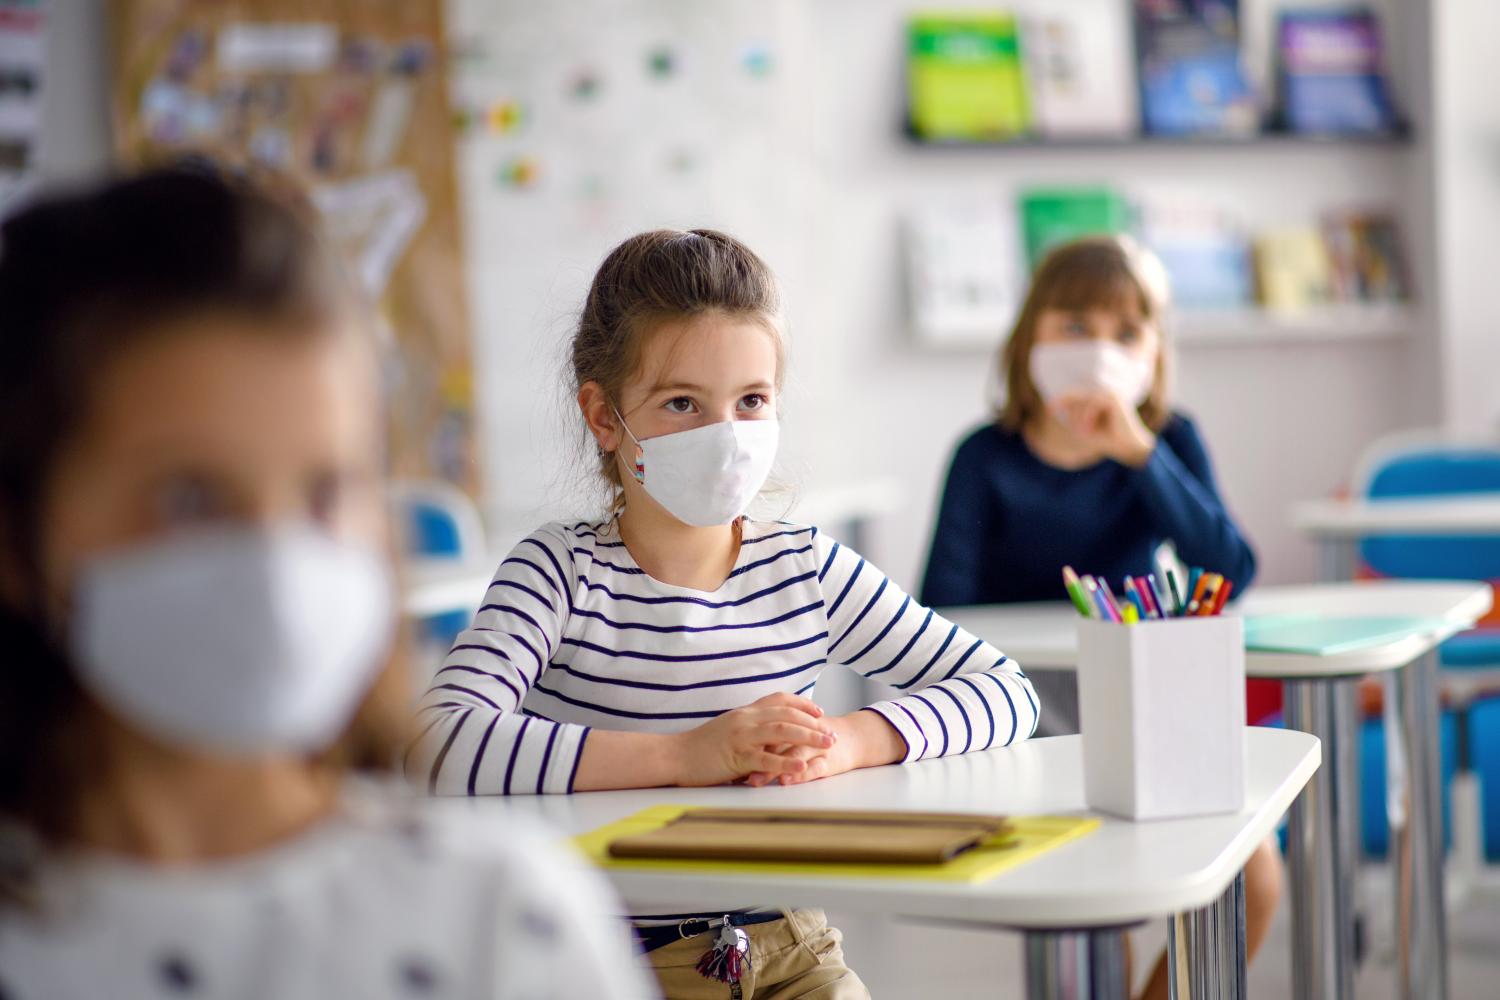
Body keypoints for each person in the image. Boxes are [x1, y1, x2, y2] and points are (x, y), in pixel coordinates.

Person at [0, 166, 653, 1000]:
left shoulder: (501, 920)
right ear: (18, 534)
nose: (274, 559)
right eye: (188, 497)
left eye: (326, 489)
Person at [409, 228, 1041, 999]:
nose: (725, 435)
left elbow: (1006, 689)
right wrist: (687, 756)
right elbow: (435, 744)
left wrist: (846, 742)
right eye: (682, 403)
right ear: (606, 418)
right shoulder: (560, 573)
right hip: (603, 960)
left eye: (751, 401)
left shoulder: (803, 567)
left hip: (790, 945)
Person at [920, 235, 1273, 1000]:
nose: (1098, 350)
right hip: (1032, 709)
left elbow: (1230, 570)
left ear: (1153, 352)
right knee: (1094, 898)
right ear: (1029, 340)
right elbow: (940, 609)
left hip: (1151, 698)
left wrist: (1140, 452)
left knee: (1259, 878)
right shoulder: (984, 457)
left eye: (1124, 333)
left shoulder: (1169, 440)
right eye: (1074, 326)